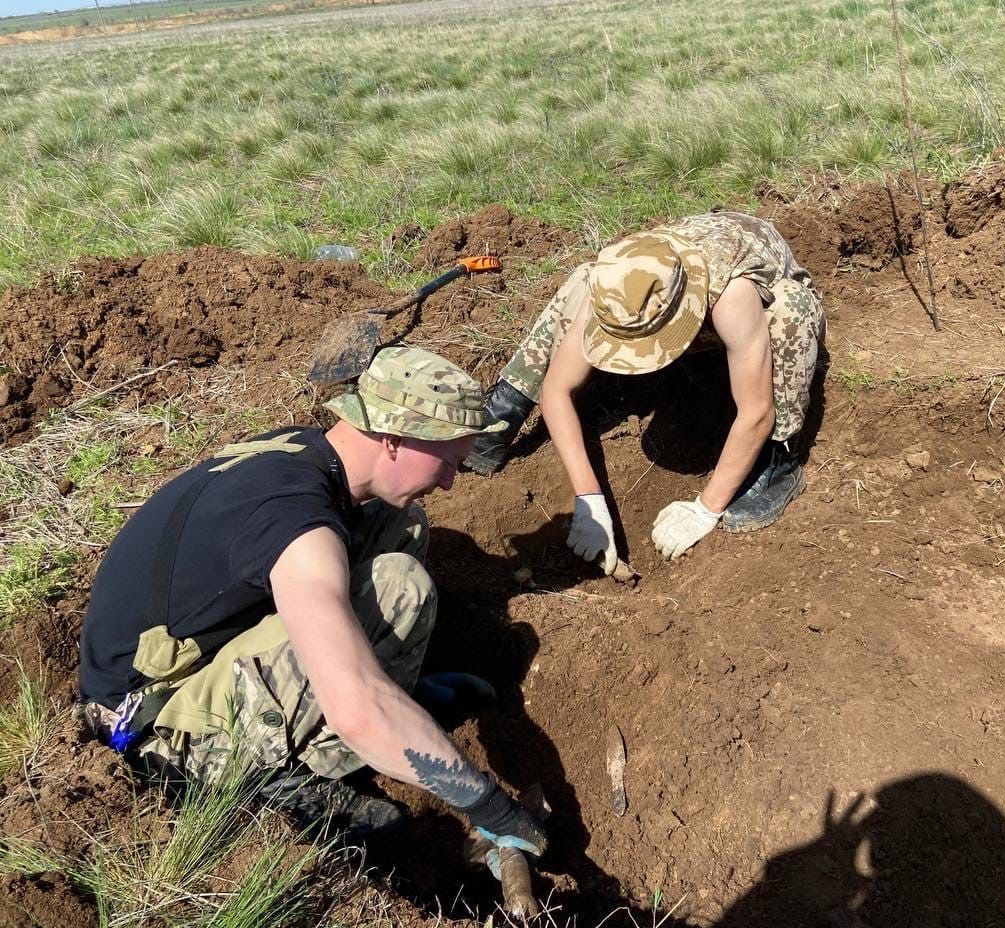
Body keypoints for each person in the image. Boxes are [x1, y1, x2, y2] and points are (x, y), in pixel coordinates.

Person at [77, 346, 547, 857]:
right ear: (393, 437)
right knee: (397, 587)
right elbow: (358, 708)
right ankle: (265, 779)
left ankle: (388, 709)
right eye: (448, 461)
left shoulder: (305, 451)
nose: (451, 481)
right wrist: (488, 806)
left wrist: (398, 687)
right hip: (150, 723)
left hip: (184, 650)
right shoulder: (296, 525)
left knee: (399, 523)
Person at [465, 211, 825, 569]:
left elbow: (756, 412)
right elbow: (557, 390)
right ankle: (505, 409)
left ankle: (781, 459)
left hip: (743, 293)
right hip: (682, 289)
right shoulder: (615, 282)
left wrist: (705, 508)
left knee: (792, 308)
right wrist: (589, 499)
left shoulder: (733, 294)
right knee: (581, 277)